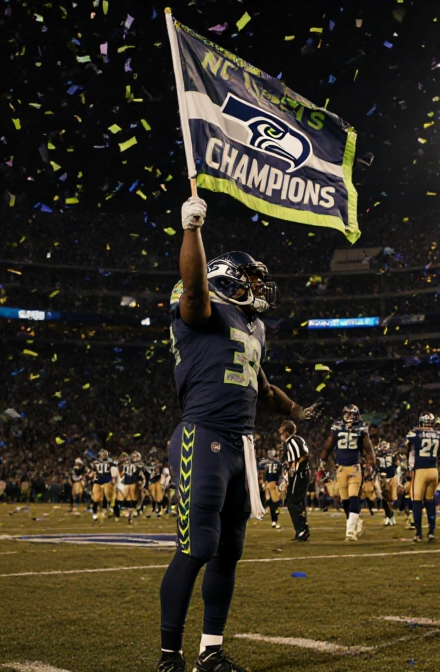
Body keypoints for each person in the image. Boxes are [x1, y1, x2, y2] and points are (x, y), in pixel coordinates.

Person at [156, 196, 318, 672]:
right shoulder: (202, 306)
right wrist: (192, 230)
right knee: (198, 547)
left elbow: (261, 385)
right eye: (250, 279)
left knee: (229, 551)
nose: (258, 287)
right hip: (203, 435)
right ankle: (169, 657)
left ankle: (211, 651)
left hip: (241, 446)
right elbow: (193, 289)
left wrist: (293, 408)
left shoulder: (255, 326)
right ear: (226, 278)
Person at [318, 404, 376, 541]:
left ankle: (350, 531)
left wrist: (323, 460)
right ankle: (355, 523)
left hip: (354, 467)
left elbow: (329, 445)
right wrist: (323, 460)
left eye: (352, 415)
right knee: (345, 500)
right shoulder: (354, 427)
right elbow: (330, 444)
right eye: (349, 415)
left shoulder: (348, 427)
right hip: (341, 468)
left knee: (353, 496)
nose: (350, 418)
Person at [405, 413, 440, 542]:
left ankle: (418, 533)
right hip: (433, 470)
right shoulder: (439, 434)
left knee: (417, 501)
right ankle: (431, 532)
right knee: (429, 501)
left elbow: (406, 446)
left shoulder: (415, 433)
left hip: (420, 470)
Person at [279, 421, 311, 541]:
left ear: (287, 433)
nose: (280, 435)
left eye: (281, 432)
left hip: (299, 474)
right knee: (297, 501)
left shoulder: (293, 441)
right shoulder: (295, 440)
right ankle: (303, 529)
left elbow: (305, 454)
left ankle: (301, 530)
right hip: (299, 474)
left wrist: (295, 466)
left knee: (292, 501)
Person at [375, 440, 401, 526]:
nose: (384, 447)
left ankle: (391, 514)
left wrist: (399, 480)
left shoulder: (393, 454)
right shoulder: (377, 454)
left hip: (392, 477)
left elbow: (397, 466)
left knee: (392, 499)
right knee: (384, 499)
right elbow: (375, 467)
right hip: (382, 478)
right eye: (382, 445)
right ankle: (388, 516)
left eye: (385, 445)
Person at [258, 448, 283, 530]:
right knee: (275, 504)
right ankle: (274, 520)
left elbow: (263, 471)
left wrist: (264, 482)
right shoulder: (278, 463)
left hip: (268, 483)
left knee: (271, 502)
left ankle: (272, 518)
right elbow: (280, 475)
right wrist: (278, 483)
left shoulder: (266, 462)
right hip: (274, 484)